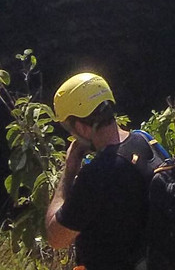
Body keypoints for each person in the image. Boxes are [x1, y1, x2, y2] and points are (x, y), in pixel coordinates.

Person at [45, 72, 157, 270]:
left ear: (82, 127)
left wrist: (69, 171)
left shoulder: (98, 174)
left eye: (70, 129)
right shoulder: (147, 142)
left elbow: (56, 237)